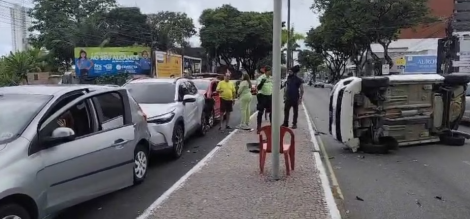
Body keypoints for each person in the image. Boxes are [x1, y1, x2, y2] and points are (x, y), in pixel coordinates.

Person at [256, 66, 273, 133]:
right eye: (269, 71)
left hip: (269, 96)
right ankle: (259, 127)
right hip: (262, 96)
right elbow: (258, 88)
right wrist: (262, 83)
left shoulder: (271, 78)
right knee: (260, 112)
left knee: (271, 112)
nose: (270, 72)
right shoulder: (261, 78)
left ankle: (272, 126)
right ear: (266, 71)